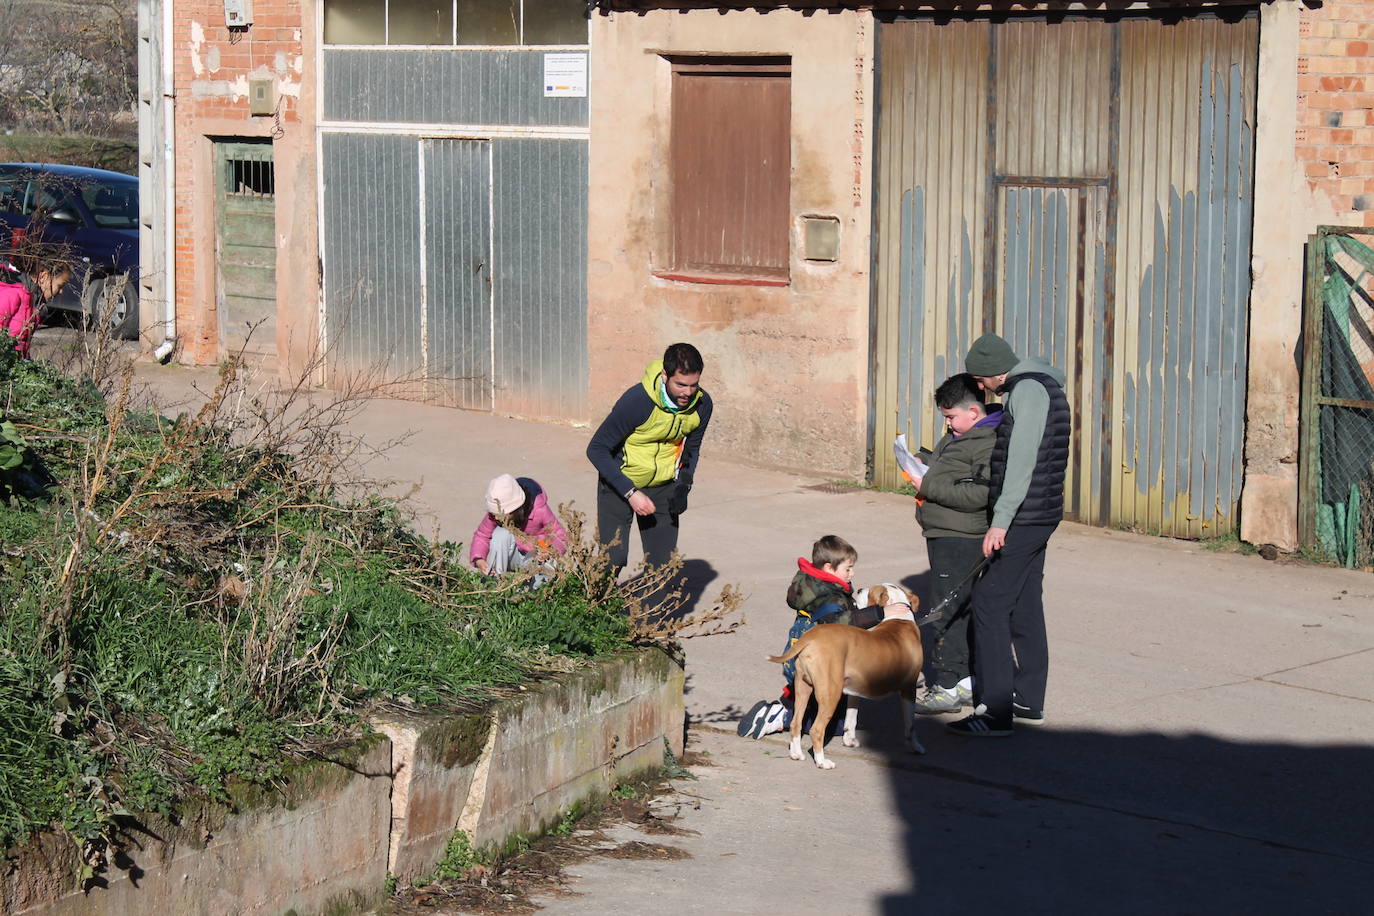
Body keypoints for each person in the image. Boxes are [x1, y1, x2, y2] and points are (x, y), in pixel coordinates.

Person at [946, 333, 1069, 737]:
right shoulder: (1040, 384)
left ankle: (995, 711)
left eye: (982, 380)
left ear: (996, 372)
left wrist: (1001, 520)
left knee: (989, 602)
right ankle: (1027, 700)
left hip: (1025, 515)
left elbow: (1021, 460)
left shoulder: (1028, 391)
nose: (981, 388)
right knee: (1024, 602)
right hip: (1039, 512)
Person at [736, 535, 896, 739]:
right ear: (829, 567)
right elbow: (843, 622)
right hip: (812, 655)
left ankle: (788, 711)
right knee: (812, 696)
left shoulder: (818, 583)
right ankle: (777, 715)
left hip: (809, 649)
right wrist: (880, 614)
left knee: (832, 720)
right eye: (848, 569)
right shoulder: (827, 594)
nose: (852, 573)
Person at [908, 373, 1002, 715]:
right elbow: (952, 473)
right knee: (957, 608)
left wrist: (928, 483)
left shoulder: (987, 441)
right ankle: (963, 683)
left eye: (951, 417)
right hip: (942, 532)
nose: (947, 424)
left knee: (945, 609)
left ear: (974, 413)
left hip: (960, 536)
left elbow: (979, 493)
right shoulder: (960, 435)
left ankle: (946, 685)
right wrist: (925, 463)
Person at [585, 343, 713, 574]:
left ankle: (649, 611)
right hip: (620, 482)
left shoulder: (702, 405)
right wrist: (631, 493)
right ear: (665, 375)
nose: (688, 392)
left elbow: (691, 449)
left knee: (662, 566)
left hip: (664, 486)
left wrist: (684, 484)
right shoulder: (638, 401)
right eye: (681, 385)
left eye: (694, 385)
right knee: (611, 560)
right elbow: (597, 449)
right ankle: (597, 608)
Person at [469, 474, 569, 576]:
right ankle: (498, 581)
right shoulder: (496, 514)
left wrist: (551, 551)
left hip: (536, 557)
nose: (498, 518)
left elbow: (561, 536)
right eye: (495, 515)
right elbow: (482, 535)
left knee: (549, 563)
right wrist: (479, 559)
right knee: (500, 534)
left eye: (502, 514)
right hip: (513, 557)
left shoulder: (539, 509)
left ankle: (537, 590)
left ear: (516, 508)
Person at [0, 256, 71, 359]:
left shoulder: (32, 303)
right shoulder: (13, 294)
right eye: (60, 286)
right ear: (44, 277)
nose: (61, 291)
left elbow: (22, 345)